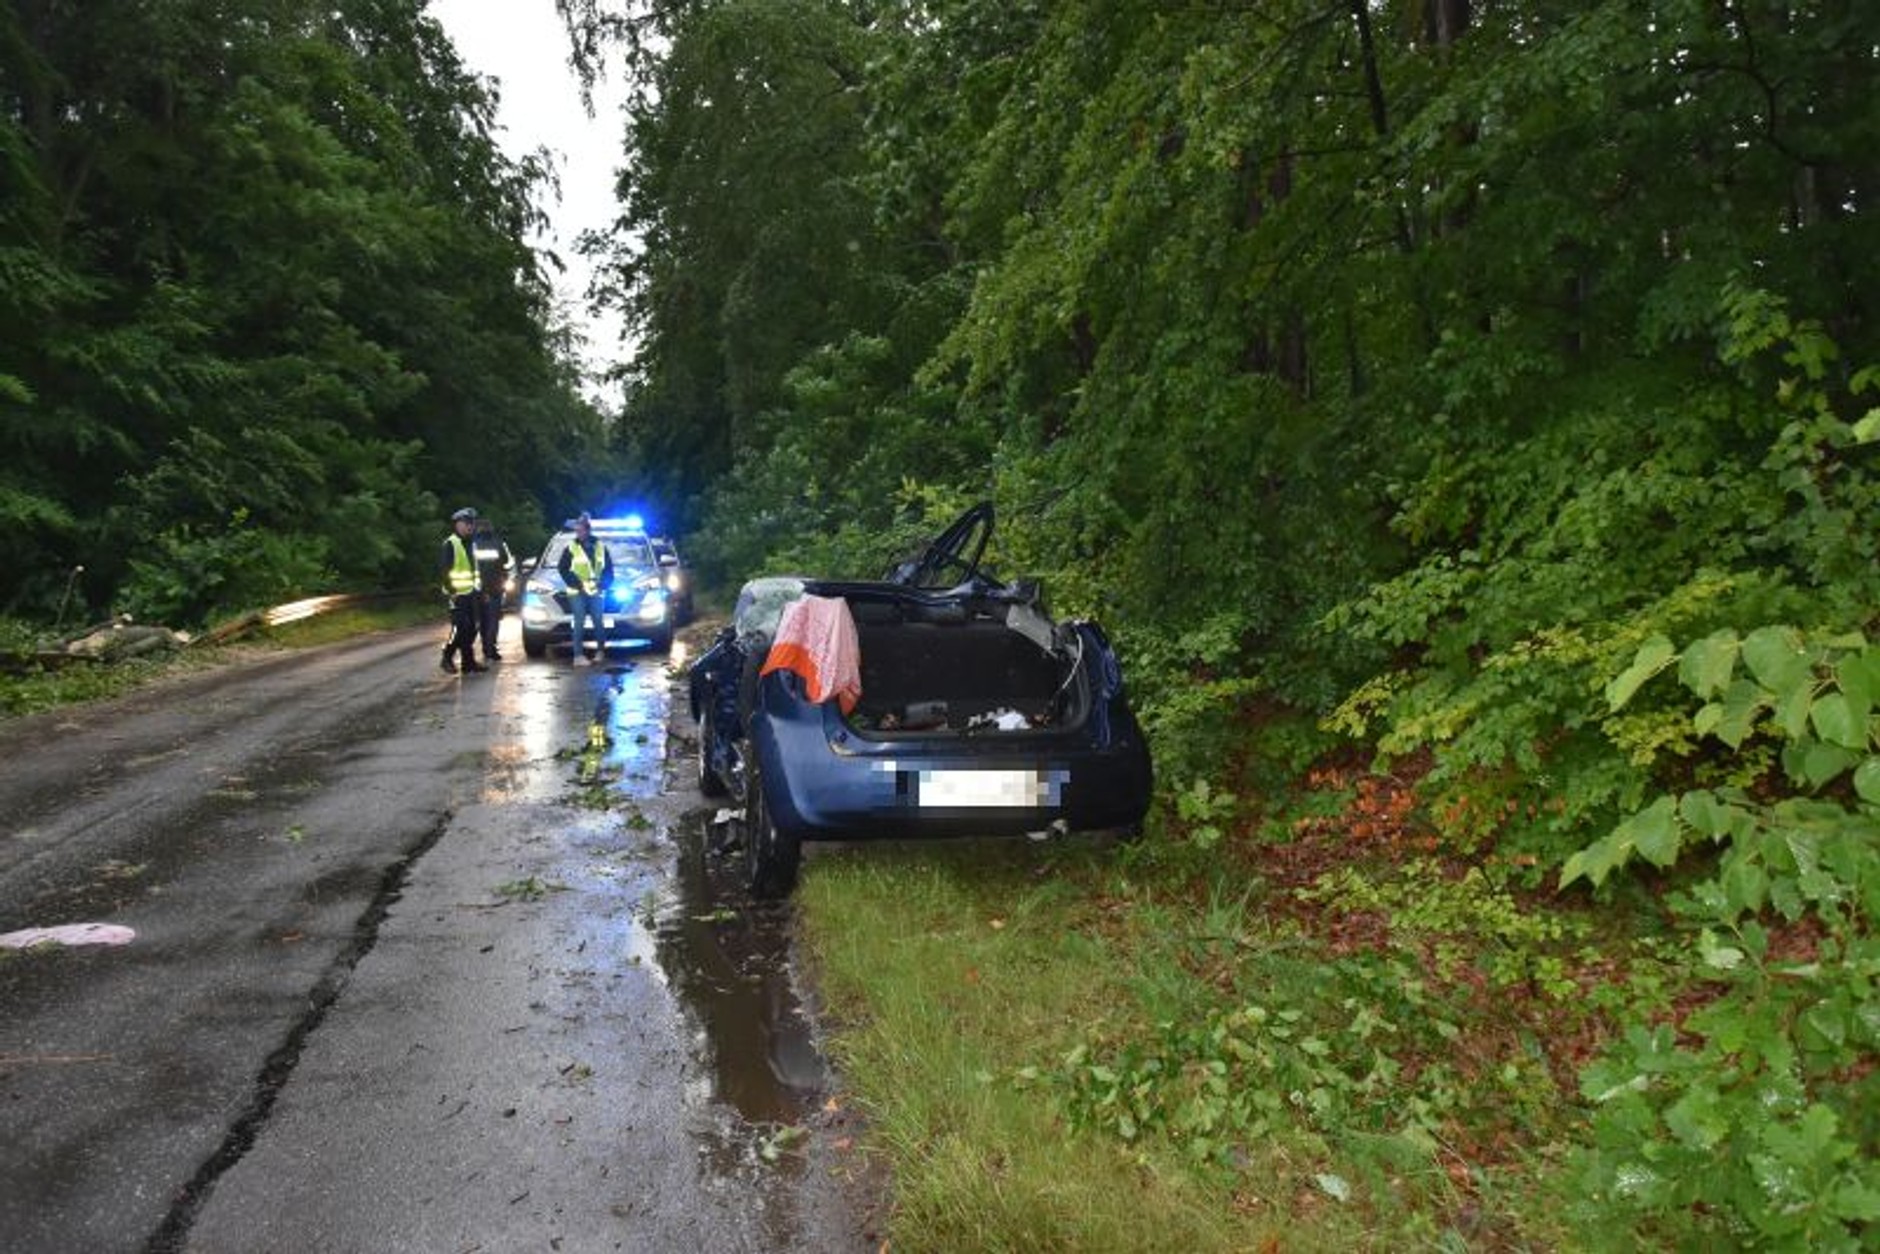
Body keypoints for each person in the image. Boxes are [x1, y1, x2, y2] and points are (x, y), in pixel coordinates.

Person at [557, 512, 613, 666]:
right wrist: (576, 583)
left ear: (588, 530)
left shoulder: (601, 547)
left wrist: (604, 584)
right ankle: (578, 656)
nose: (578, 533)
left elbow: (608, 569)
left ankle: (600, 652)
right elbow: (562, 568)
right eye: (577, 531)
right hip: (577, 591)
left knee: (598, 621)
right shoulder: (571, 547)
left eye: (581, 530)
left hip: (596, 589)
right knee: (579, 621)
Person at [439, 507, 487, 674]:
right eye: (466, 524)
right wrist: (452, 591)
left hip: (470, 593)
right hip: (456, 594)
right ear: (457, 524)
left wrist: (478, 590)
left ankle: (468, 663)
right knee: (460, 628)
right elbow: (445, 571)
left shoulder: (471, 544)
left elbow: (474, 569)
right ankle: (447, 657)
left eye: (471, 524)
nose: (470, 527)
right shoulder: (450, 543)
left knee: (472, 628)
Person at [472, 516, 516, 662]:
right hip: (496, 586)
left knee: (483, 620)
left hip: (477, 588)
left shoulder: (473, 544)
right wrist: (503, 573)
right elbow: (509, 563)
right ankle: (491, 649)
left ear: (477, 529)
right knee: (493, 620)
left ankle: (486, 647)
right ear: (491, 528)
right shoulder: (499, 543)